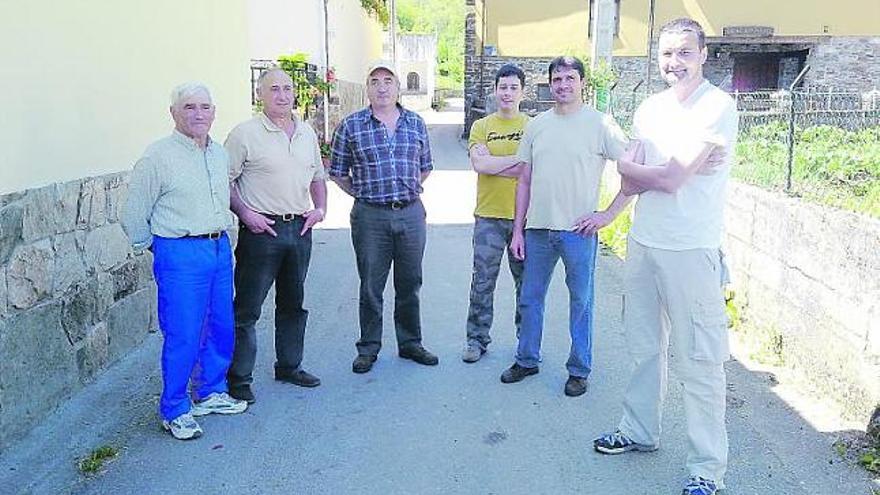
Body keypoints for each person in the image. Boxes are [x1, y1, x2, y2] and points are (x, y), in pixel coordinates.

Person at [592, 18, 737, 495]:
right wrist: (641, 170)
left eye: (684, 53)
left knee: (700, 360)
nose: (674, 63)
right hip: (645, 242)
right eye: (668, 53)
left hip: (690, 250)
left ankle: (705, 470)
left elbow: (669, 180)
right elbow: (631, 177)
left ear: (703, 56)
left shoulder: (716, 107)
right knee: (643, 346)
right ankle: (639, 432)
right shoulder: (650, 109)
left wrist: (644, 169)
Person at [499, 56, 631, 397]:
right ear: (550, 83)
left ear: (582, 82)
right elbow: (524, 181)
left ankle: (579, 369)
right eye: (557, 79)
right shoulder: (537, 125)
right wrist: (517, 230)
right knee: (529, 300)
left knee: (581, 302)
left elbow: (632, 168)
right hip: (538, 230)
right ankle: (526, 359)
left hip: (579, 232)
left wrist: (607, 215)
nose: (563, 85)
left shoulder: (601, 124)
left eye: (570, 78)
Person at [122, 82, 247, 441]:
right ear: (173, 113)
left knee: (220, 324)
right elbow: (133, 212)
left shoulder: (219, 153)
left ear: (214, 112)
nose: (198, 114)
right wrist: (155, 247)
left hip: (218, 247)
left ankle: (210, 391)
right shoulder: (157, 156)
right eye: (189, 107)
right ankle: (174, 408)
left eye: (205, 107)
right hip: (179, 250)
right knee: (183, 332)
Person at [224, 68, 328, 404]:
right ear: (260, 94)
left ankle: (289, 365)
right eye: (273, 89)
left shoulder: (307, 132)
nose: (282, 95)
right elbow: (224, 181)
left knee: (293, 304)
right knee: (247, 309)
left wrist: (320, 209)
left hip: (299, 228)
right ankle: (239, 379)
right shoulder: (244, 134)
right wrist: (245, 214)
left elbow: (317, 176)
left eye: (287, 88)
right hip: (261, 231)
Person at [329, 61, 438, 374]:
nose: (381, 87)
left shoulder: (415, 123)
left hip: (411, 213)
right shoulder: (351, 126)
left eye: (387, 81)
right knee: (371, 284)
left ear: (397, 87)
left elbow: (426, 166)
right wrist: (366, 195)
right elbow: (338, 172)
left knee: (410, 282)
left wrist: (402, 191)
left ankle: (410, 343)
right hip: (370, 217)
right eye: (374, 81)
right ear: (367, 89)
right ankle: (368, 347)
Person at [461, 64, 529, 363]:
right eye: (503, 87)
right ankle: (476, 340)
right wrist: (518, 162)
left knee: (526, 284)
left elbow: (533, 170)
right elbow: (480, 165)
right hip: (488, 216)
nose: (508, 93)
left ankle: (525, 342)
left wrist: (496, 161)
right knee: (483, 282)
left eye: (514, 87)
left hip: (525, 219)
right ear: (495, 90)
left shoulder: (533, 126)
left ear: (522, 92)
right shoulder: (481, 126)